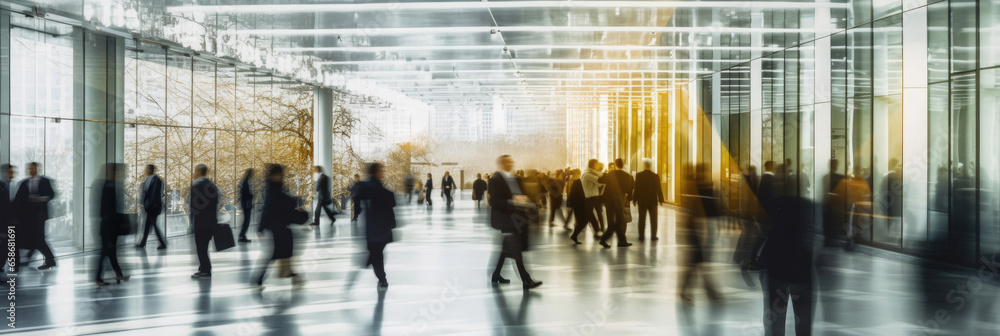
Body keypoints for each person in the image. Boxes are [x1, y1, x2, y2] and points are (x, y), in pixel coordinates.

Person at [760, 195, 816, 336]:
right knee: (803, 320)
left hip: (777, 274)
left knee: (775, 320)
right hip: (801, 274)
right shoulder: (802, 240)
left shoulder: (774, 238)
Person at [489, 155, 542, 290]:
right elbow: (494, 201)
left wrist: (525, 200)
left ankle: (496, 274)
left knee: (507, 249)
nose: (510, 164)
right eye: (507, 162)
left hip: (518, 217)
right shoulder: (495, 179)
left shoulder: (515, 178)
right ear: (501, 163)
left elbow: (522, 194)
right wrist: (512, 201)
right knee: (516, 249)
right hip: (506, 219)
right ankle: (526, 280)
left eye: (511, 161)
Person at [254, 164, 305, 290]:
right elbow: (270, 208)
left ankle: (291, 276)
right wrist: (261, 227)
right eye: (279, 175)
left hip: (280, 227)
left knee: (281, 255)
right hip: (278, 228)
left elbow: (275, 206)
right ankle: (260, 280)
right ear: (273, 176)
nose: (281, 177)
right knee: (279, 255)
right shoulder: (272, 190)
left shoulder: (274, 188)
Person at [355, 162, 397, 288]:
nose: (383, 172)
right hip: (380, 227)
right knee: (377, 253)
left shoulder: (367, 186)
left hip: (374, 227)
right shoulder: (374, 187)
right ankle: (381, 277)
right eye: (381, 170)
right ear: (376, 172)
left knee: (376, 253)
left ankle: (378, 273)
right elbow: (389, 199)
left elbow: (358, 192)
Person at [94, 164, 131, 286]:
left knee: (109, 252)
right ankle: (100, 278)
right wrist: (111, 226)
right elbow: (108, 209)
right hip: (109, 226)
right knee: (107, 252)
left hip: (108, 225)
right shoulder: (110, 185)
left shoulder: (109, 184)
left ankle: (117, 275)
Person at [16, 162, 57, 270]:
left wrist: (43, 198)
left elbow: (52, 194)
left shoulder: (45, 181)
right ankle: (40, 259)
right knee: (36, 238)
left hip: (40, 215)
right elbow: (19, 199)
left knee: (39, 238)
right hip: (28, 216)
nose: (32, 170)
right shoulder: (24, 183)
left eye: (33, 169)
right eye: (30, 169)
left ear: (37, 169)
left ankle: (50, 259)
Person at [189, 164, 219, 280]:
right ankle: (203, 268)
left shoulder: (196, 186)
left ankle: (206, 271)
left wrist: (192, 220)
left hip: (200, 222)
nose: (194, 173)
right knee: (204, 247)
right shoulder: (212, 186)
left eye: (195, 171)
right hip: (210, 221)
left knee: (201, 248)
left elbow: (194, 206)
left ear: (198, 172)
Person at [598, 162, 632, 248]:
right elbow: (629, 188)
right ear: (623, 165)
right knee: (619, 221)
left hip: (608, 201)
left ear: (616, 165)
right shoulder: (627, 176)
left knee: (612, 222)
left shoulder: (610, 174)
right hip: (618, 200)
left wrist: (604, 174)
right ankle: (605, 239)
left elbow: (600, 180)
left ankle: (622, 241)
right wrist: (629, 198)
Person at [136, 165, 167, 249]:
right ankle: (143, 243)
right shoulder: (147, 179)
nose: (145, 171)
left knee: (152, 224)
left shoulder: (157, 180)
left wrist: (149, 204)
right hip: (149, 206)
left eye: (146, 169)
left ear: (150, 170)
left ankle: (162, 243)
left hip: (153, 206)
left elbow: (155, 194)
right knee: (148, 224)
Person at [633, 158, 664, 241]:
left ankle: (641, 236)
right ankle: (653, 236)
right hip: (652, 200)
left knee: (642, 218)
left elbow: (637, 188)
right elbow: (659, 188)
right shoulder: (655, 176)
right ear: (650, 165)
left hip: (642, 200)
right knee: (654, 219)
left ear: (644, 165)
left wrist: (634, 199)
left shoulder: (639, 175)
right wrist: (661, 199)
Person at [568, 169, 598, 244]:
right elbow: (580, 195)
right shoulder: (577, 182)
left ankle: (575, 235)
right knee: (585, 220)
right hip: (581, 205)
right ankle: (575, 235)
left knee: (585, 220)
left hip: (579, 205)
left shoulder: (575, 182)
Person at [579, 159, 605, 240]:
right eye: (597, 164)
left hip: (588, 197)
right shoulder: (589, 174)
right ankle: (600, 230)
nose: (598, 166)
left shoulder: (586, 173)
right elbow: (600, 183)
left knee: (592, 215)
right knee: (597, 215)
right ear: (593, 164)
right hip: (593, 197)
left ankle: (598, 230)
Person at [611, 158, 635, 232]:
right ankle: (623, 233)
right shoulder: (629, 176)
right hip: (625, 199)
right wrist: (630, 198)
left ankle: (616, 231)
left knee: (615, 215)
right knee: (624, 216)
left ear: (615, 165)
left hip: (614, 198)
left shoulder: (612, 174)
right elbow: (632, 187)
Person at [0, 164, 15, 272]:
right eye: (9, 172)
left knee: (5, 249)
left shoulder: (11, 186)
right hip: (2, 225)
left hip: (7, 223)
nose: (11, 175)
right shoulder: (1, 187)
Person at [237, 169, 255, 243]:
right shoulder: (245, 182)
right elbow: (245, 194)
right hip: (246, 205)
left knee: (246, 221)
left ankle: (242, 235)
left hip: (245, 204)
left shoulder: (245, 181)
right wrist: (251, 196)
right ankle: (242, 235)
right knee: (246, 221)